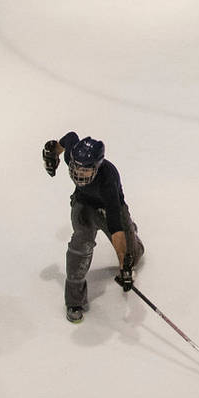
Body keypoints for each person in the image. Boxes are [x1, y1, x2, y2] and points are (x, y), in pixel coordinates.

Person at [40, 132, 145, 323]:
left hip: (109, 209)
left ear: (97, 167)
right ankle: (74, 300)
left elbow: (115, 224)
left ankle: (132, 239)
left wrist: (124, 266)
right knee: (81, 244)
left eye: (85, 171)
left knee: (132, 255)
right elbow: (70, 137)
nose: (78, 174)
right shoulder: (72, 153)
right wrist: (52, 150)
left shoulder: (108, 180)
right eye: (75, 168)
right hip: (83, 206)